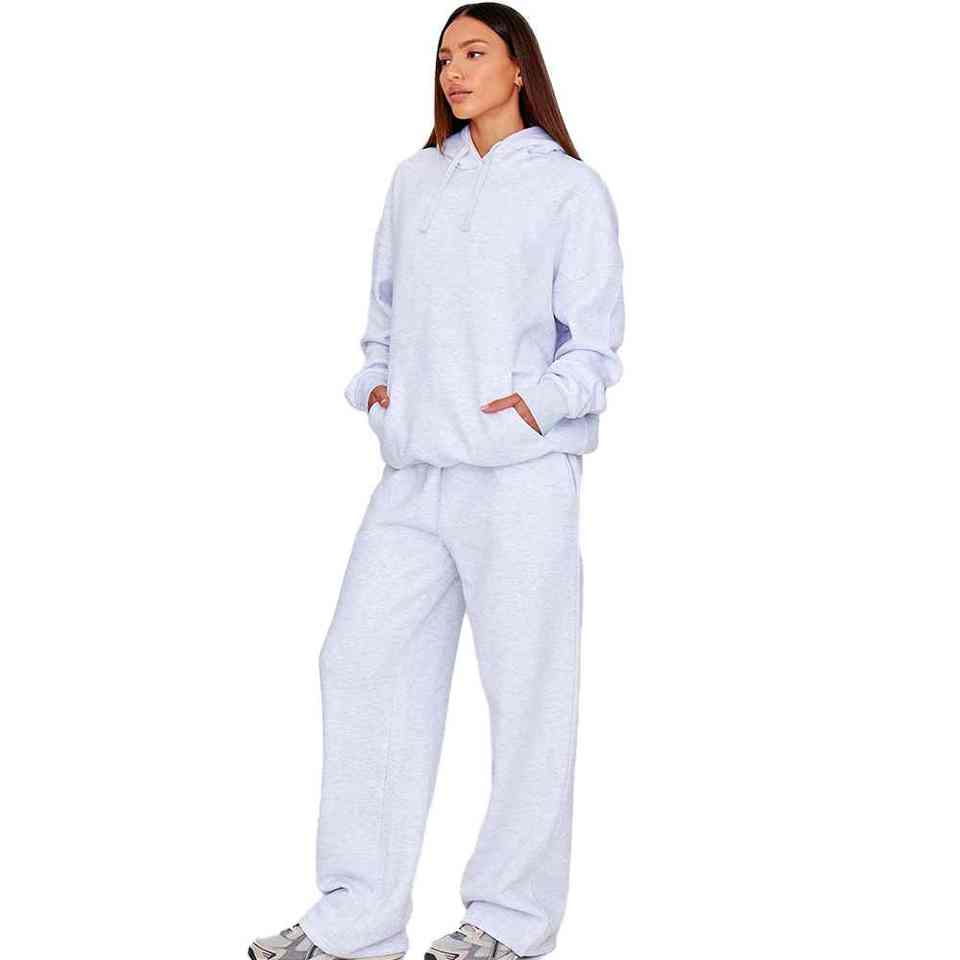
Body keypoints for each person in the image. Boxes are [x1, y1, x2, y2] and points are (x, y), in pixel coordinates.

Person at [249, 4, 625, 959]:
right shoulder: (415, 179)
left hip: (521, 478)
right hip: (414, 476)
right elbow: (380, 316)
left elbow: (594, 343)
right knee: (358, 665)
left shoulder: (569, 188)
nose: (453, 71)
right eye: (444, 56)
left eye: (474, 52)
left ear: (519, 67)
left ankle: (509, 920)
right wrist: (378, 387)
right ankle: (357, 918)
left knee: (529, 694)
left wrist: (535, 407)